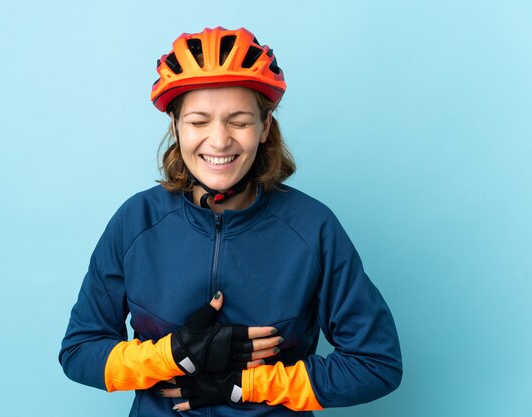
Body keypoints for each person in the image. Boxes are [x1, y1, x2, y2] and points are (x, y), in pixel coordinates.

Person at [59, 26, 402, 416]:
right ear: (175, 126)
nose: (219, 141)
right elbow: (79, 351)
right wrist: (173, 354)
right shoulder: (135, 222)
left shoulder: (312, 227)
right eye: (199, 121)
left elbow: (376, 364)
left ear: (265, 126)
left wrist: (246, 385)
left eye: (238, 121)